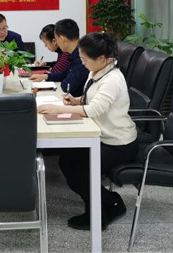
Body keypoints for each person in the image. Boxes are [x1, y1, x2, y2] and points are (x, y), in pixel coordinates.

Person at [37, 32, 138, 231]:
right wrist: (76, 101)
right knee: (67, 160)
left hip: (118, 143)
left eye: (85, 59)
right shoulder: (97, 71)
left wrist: (58, 109)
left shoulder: (112, 79)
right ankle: (109, 202)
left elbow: (95, 110)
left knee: (81, 171)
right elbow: (92, 99)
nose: (82, 63)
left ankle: (104, 210)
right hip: (101, 135)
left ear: (101, 58)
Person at [30, 19, 88, 97]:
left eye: (56, 39)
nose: (56, 43)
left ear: (62, 39)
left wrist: (64, 79)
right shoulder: (75, 53)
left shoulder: (82, 57)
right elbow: (64, 73)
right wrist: (45, 76)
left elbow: (66, 85)